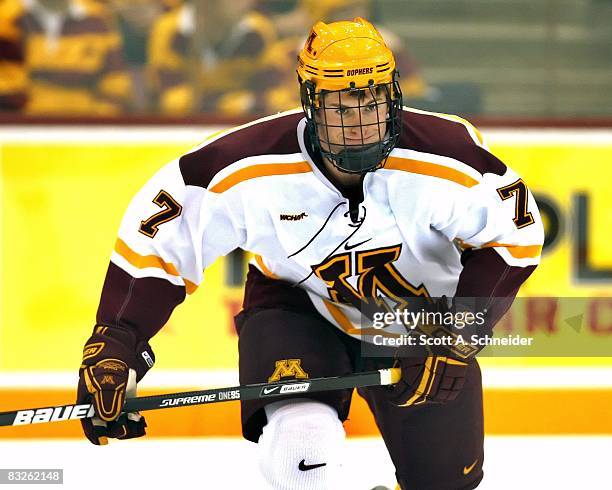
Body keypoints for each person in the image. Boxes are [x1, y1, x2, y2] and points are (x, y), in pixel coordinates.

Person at [77, 18, 543, 489]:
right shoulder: (245, 164)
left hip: (417, 325)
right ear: (311, 103)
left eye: (371, 99)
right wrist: (117, 341)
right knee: (302, 446)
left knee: (444, 482)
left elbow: (515, 240)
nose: (360, 121)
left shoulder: (448, 158)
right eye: (341, 105)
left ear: (392, 96)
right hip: (297, 307)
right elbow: (160, 242)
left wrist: (457, 334)